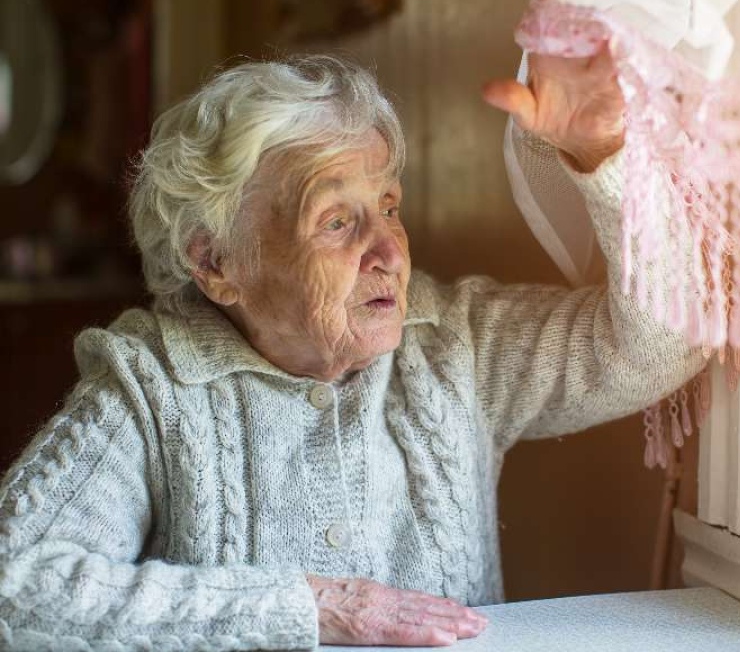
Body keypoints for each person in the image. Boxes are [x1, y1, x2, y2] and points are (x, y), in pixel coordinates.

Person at [0, 48, 703, 650]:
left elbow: (663, 341)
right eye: (336, 220)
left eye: (389, 207)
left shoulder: (454, 344)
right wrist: (309, 606)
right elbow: (14, 586)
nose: (389, 249)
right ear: (216, 262)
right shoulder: (153, 383)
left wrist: (603, 155)